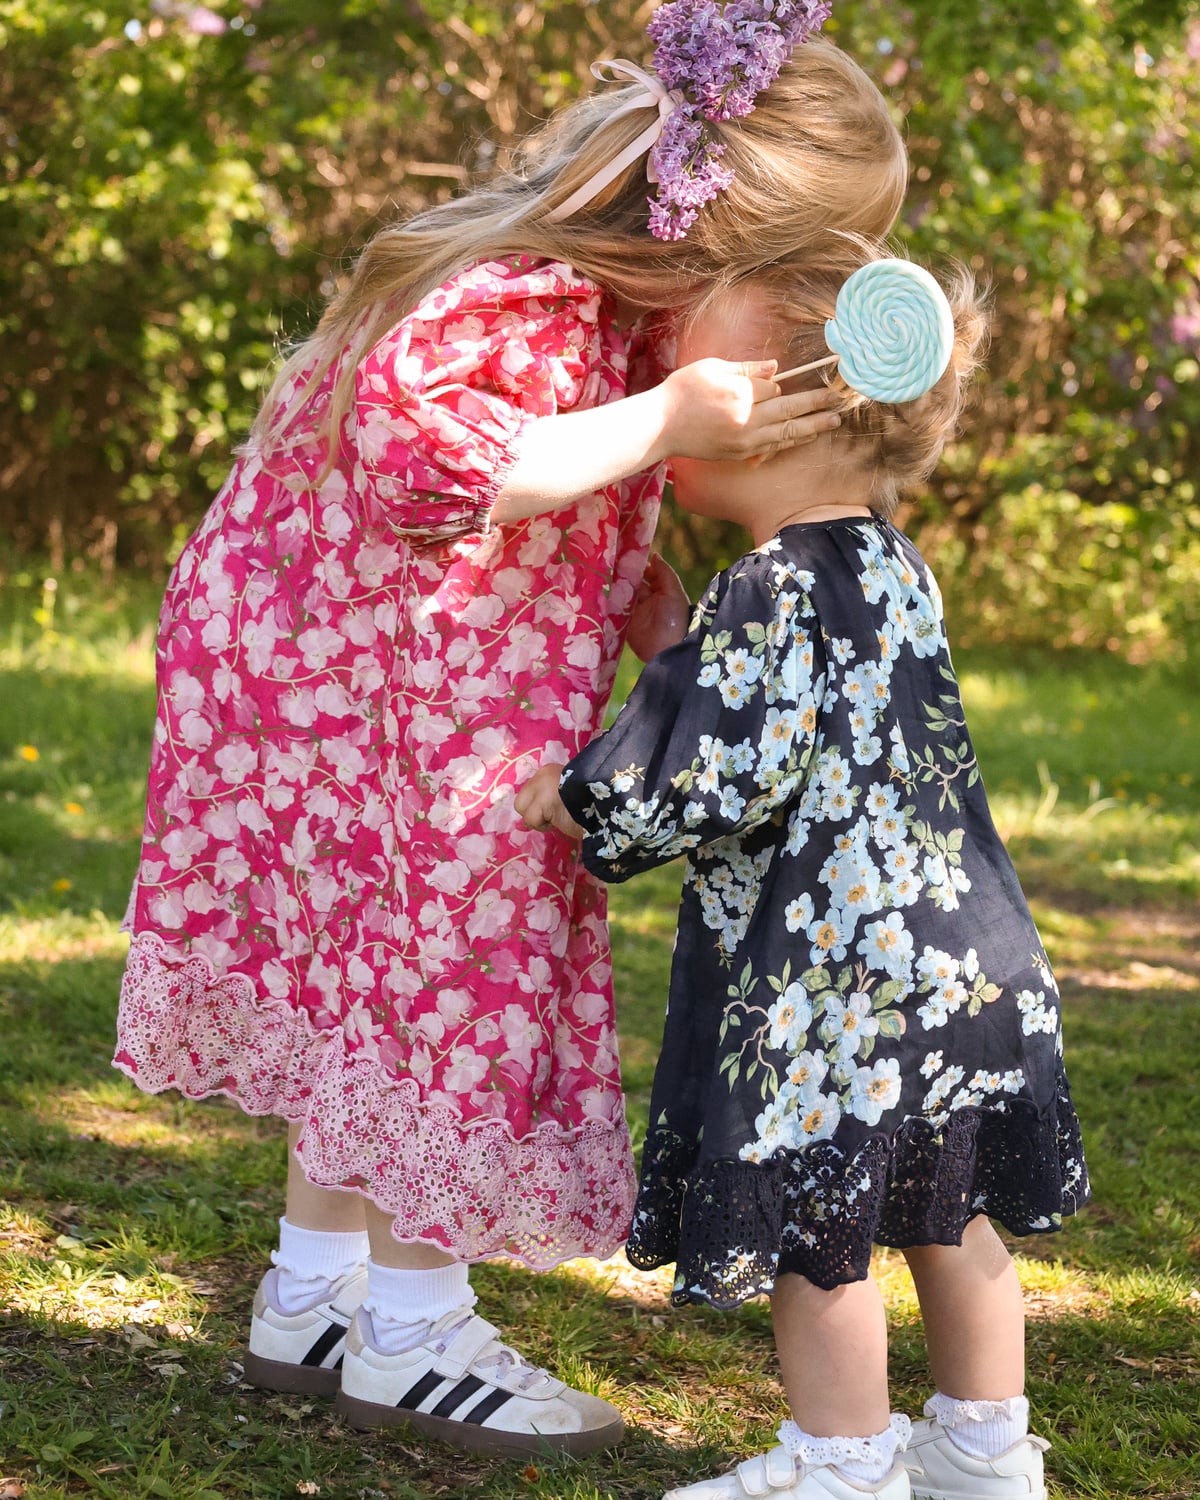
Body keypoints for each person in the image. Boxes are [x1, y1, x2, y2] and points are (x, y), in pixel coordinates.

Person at [112, 2, 912, 1460]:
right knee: (455, 981)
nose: (792, 343)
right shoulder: (534, 297)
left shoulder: (590, 317)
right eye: (788, 296)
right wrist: (670, 412)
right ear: (708, 244)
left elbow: (559, 513)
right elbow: (439, 475)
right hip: (367, 693)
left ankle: (312, 1299)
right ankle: (412, 1332)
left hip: (341, 677)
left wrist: (649, 605)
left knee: (384, 991)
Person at [516, 244, 1089, 1498]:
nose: (673, 398)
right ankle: (988, 1458)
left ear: (794, 410)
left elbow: (716, 771)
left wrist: (572, 797)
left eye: (700, 374)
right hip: (970, 964)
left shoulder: (770, 588)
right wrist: (683, 649)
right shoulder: (896, 567)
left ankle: (842, 1467)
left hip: (840, 990)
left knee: (817, 1239)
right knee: (953, 1214)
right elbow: (814, 724)